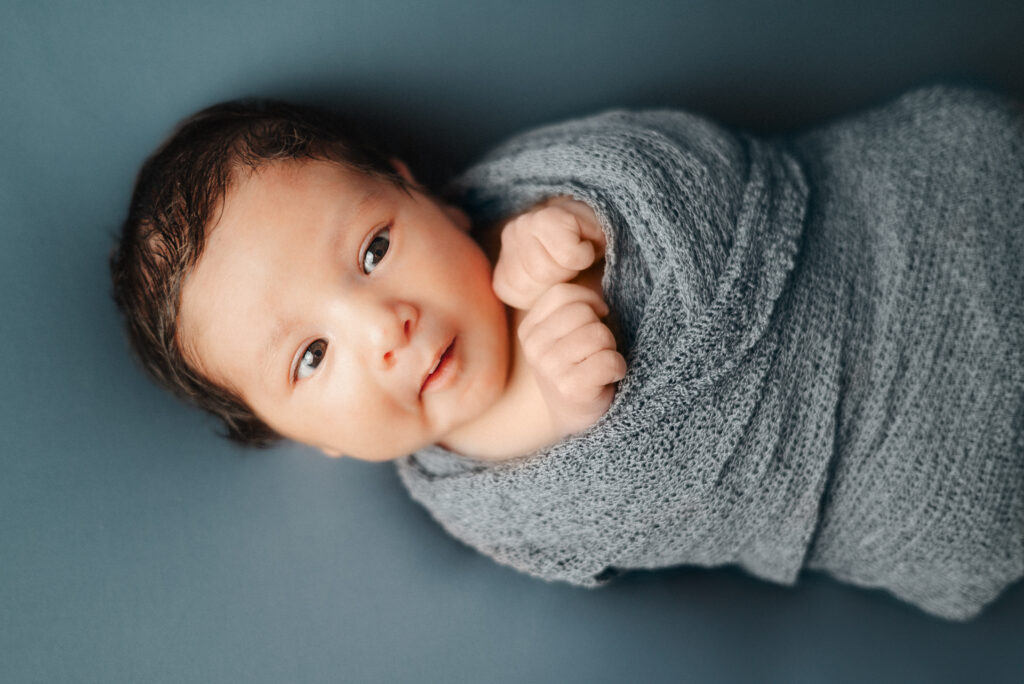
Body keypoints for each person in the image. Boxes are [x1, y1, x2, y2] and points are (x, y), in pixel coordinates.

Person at [112, 86, 1024, 620]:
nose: (380, 325)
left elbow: (688, 168)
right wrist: (559, 411)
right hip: (904, 484)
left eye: (374, 250)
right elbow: (640, 515)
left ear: (421, 193)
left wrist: (585, 235)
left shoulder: (540, 199)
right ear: (311, 438)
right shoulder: (477, 510)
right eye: (311, 357)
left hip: (916, 222)